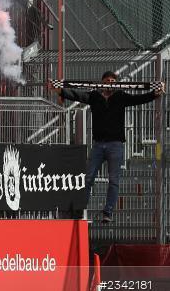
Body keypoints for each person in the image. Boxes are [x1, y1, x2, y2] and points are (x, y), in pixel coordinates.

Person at [55, 72, 165, 223]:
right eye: (107, 81)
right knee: (88, 178)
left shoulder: (120, 96)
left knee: (113, 180)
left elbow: (138, 99)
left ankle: (108, 212)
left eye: (113, 81)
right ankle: (79, 210)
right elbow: (78, 95)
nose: (110, 83)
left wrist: (154, 93)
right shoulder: (94, 96)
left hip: (115, 144)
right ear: (101, 82)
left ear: (116, 84)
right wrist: (60, 91)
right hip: (99, 144)